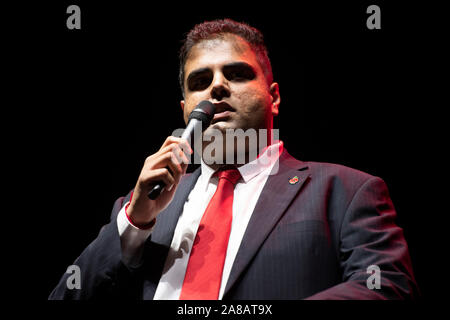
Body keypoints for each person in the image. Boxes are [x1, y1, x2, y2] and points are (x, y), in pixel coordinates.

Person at [49, 18, 418, 300]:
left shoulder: (347, 191)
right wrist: (134, 223)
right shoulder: (139, 207)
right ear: (185, 110)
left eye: (237, 74)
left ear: (273, 96)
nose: (217, 87)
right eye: (199, 81)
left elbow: (388, 286)